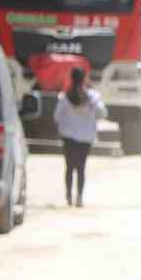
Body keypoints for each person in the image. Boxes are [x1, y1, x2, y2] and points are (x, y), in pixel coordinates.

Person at [54, 66, 106, 207]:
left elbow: (57, 116)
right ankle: (79, 197)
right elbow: (103, 113)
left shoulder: (64, 97)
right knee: (81, 168)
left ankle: (69, 196)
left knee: (69, 167)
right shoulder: (93, 97)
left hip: (68, 136)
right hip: (86, 137)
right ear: (84, 78)